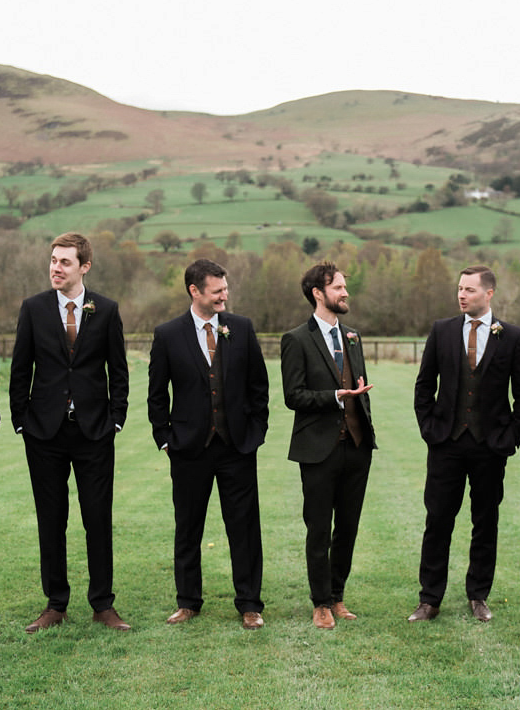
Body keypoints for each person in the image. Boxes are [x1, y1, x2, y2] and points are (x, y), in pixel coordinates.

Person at [10, 232, 130, 633]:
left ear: (84, 267)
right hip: (44, 434)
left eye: (65, 262)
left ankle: (103, 604)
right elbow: (20, 370)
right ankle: (55, 604)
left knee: (97, 519)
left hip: (95, 432)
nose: (55, 268)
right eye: (53, 260)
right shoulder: (33, 309)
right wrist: (22, 421)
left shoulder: (107, 310)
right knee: (51, 519)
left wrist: (115, 419)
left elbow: (119, 371)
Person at [147, 259, 269, 630]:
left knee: (245, 528)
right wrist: (165, 440)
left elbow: (258, 387)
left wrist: (255, 434)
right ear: (194, 291)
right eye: (216, 291)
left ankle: (249, 604)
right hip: (188, 449)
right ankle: (188, 602)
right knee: (188, 528)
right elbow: (156, 395)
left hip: (236, 448)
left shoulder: (242, 329)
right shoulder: (168, 334)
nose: (224, 296)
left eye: (225, 289)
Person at [409, 265, 520, 623]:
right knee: (438, 521)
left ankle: (478, 595)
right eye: (459, 288)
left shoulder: (511, 337)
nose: (462, 295)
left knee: (485, 522)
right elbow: (423, 387)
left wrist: (509, 438)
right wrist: (430, 430)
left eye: (469, 290)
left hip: (489, 448)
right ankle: (429, 599)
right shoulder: (442, 331)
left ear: (489, 294)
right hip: (446, 443)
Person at [280, 263, 376, 629]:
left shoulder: (353, 336)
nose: (345, 292)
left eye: (344, 286)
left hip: (357, 446)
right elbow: (293, 395)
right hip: (318, 449)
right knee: (319, 528)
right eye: (337, 287)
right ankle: (319, 602)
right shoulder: (296, 339)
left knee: (348, 528)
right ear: (318, 293)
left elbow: (359, 384)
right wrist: (336, 395)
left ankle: (337, 597)